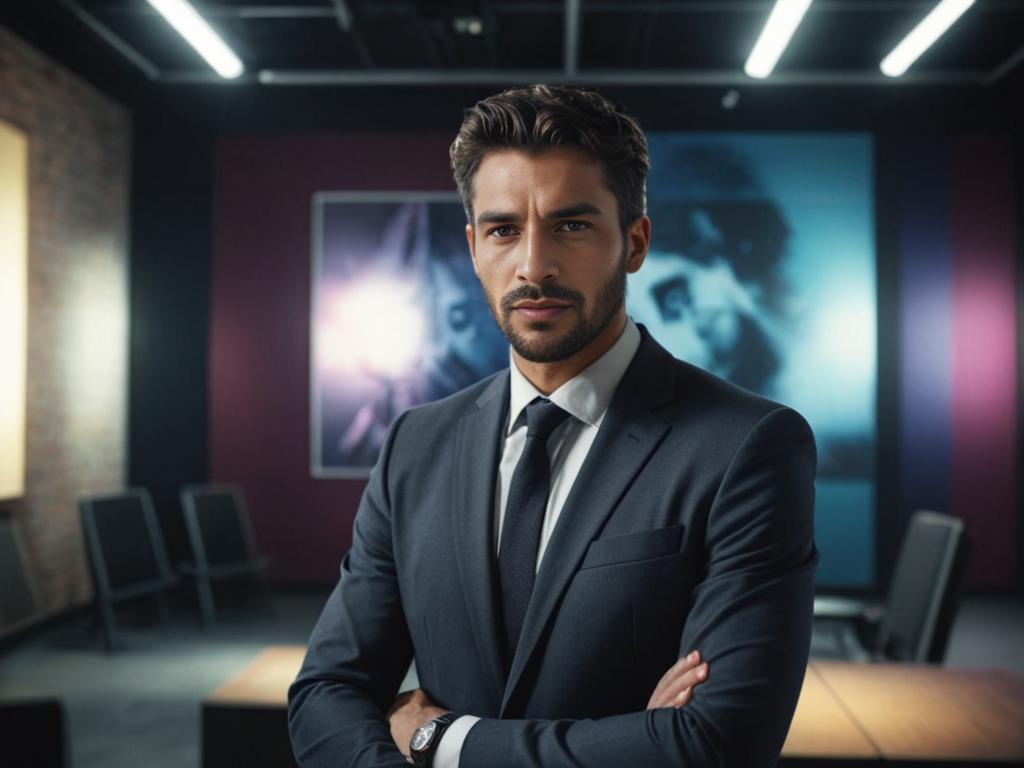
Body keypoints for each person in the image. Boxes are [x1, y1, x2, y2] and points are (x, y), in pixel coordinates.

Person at [288, 84, 818, 767]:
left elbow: (715, 743)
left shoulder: (748, 447)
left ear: (635, 242)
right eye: (505, 229)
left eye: (571, 225)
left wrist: (440, 739)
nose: (533, 266)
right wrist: (631, 740)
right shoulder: (415, 445)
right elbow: (326, 693)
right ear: (475, 246)